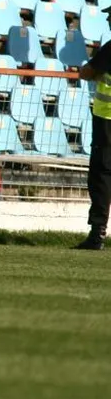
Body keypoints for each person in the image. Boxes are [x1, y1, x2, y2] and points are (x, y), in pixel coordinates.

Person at [75, 32, 111, 250]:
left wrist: (90, 72)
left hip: (107, 118)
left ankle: (97, 233)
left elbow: (87, 72)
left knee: (101, 174)